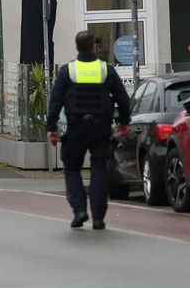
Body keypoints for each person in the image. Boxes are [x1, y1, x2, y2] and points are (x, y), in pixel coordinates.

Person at [47, 31, 131, 230]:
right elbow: (122, 98)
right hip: (100, 127)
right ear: (95, 47)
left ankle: (79, 210)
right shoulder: (105, 70)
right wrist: (124, 122)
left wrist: (52, 128)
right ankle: (99, 218)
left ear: (77, 48)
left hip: (76, 127)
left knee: (72, 168)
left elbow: (56, 101)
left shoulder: (68, 71)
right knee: (99, 167)